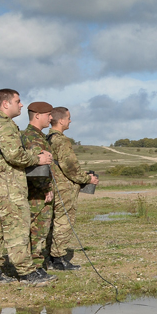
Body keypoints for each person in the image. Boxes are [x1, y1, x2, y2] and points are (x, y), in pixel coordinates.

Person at [0, 89, 57, 286]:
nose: (21, 105)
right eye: (18, 101)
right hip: (6, 183)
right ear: (5, 104)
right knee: (17, 226)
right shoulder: (4, 125)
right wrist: (37, 158)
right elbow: (14, 156)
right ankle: (26, 272)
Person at [48, 106, 97, 271]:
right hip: (64, 188)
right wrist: (87, 179)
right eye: (68, 118)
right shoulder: (61, 140)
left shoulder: (47, 138)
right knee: (64, 222)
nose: (70, 121)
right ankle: (59, 258)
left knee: (53, 221)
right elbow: (70, 167)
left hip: (53, 185)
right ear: (61, 120)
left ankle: (50, 256)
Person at [21, 102, 55, 270]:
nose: (51, 118)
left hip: (38, 192)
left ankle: (39, 263)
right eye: (48, 114)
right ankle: (35, 266)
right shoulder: (33, 138)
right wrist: (46, 188)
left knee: (38, 230)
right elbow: (38, 169)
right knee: (37, 230)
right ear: (37, 115)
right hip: (37, 195)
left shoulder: (38, 136)